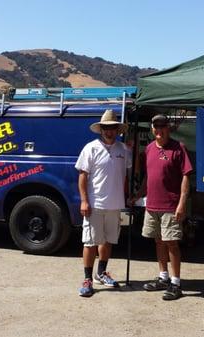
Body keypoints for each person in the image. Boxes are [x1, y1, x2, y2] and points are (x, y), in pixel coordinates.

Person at [131, 114, 193, 300]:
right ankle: (163, 277)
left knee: (171, 243)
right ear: (152, 129)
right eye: (156, 127)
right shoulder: (149, 149)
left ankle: (176, 283)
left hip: (171, 206)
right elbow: (148, 178)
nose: (160, 130)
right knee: (158, 241)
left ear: (168, 128)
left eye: (163, 127)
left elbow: (186, 176)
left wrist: (182, 203)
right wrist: (138, 195)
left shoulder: (179, 148)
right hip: (152, 205)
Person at [75, 109, 131, 297]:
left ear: (117, 130)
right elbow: (83, 176)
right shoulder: (90, 148)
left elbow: (131, 171)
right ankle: (87, 279)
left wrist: (135, 150)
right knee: (90, 242)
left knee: (108, 241)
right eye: (106, 128)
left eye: (113, 128)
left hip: (115, 204)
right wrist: (84, 201)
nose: (110, 131)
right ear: (101, 129)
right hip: (95, 204)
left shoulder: (123, 150)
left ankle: (101, 273)